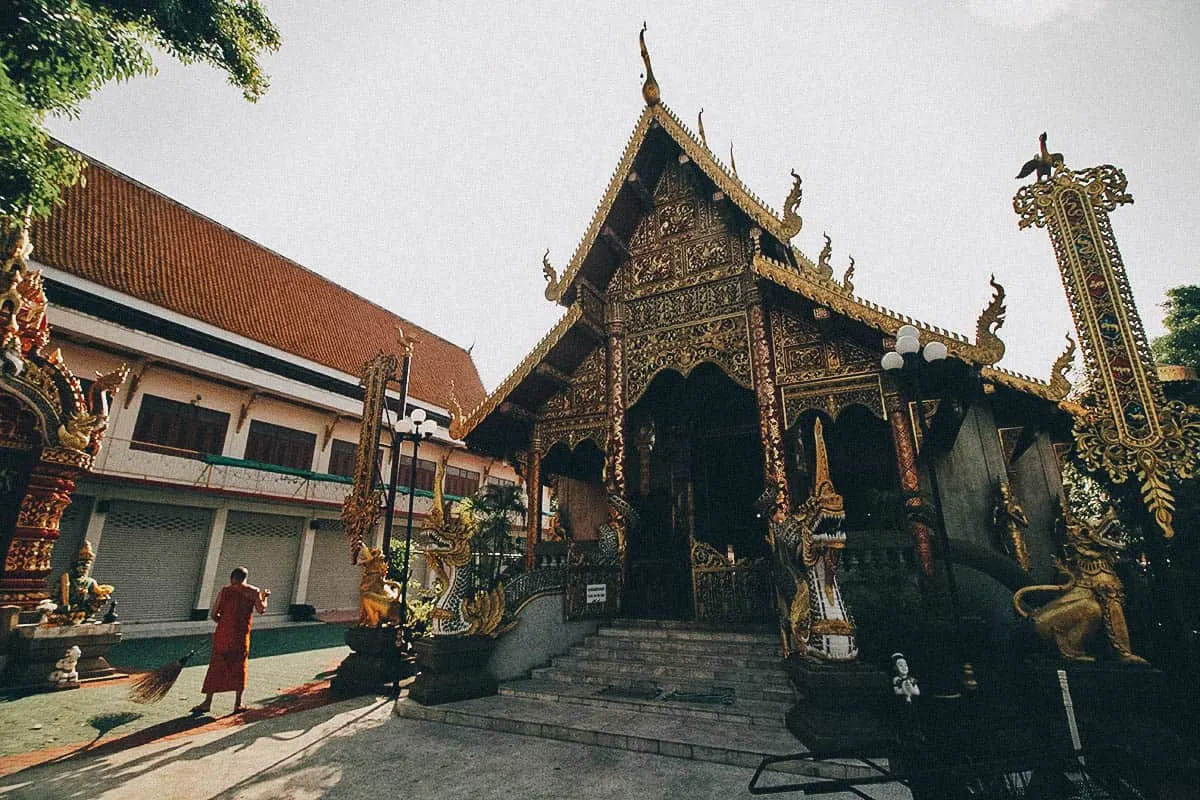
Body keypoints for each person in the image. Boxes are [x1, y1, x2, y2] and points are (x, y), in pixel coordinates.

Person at [191, 567, 269, 714]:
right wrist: (264, 597)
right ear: (245, 578)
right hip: (241, 635)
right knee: (240, 667)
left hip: (223, 634)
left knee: (216, 665)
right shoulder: (254, 591)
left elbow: (214, 614)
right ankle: (238, 704)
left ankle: (207, 702)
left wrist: (224, 623)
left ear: (232, 578)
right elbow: (261, 609)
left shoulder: (225, 591)